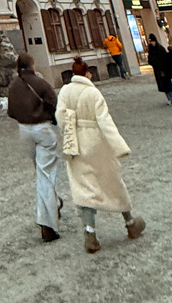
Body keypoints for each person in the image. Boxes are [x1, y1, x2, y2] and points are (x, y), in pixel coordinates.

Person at [56, 57, 145, 254]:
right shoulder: (93, 92)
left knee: (84, 188)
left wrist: (67, 136)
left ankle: (90, 233)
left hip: (75, 144)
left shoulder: (65, 91)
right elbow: (105, 121)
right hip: (96, 141)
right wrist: (120, 146)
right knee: (112, 181)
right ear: (87, 74)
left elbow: (60, 117)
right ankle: (130, 223)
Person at [7, 53, 63, 243]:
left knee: (40, 171)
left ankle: (55, 202)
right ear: (32, 65)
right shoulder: (40, 83)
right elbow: (53, 102)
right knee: (45, 175)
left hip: (24, 131)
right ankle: (47, 224)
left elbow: (10, 111)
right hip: (42, 129)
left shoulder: (14, 86)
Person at [146, 34, 172, 105]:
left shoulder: (160, 49)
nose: (152, 43)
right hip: (157, 70)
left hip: (164, 69)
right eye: (151, 41)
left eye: (153, 41)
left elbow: (166, 58)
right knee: (163, 85)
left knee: (168, 84)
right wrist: (153, 63)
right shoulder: (151, 50)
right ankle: (169, 99)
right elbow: (150, 60)